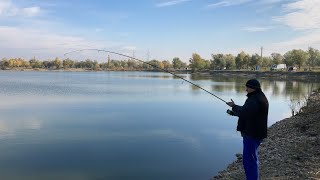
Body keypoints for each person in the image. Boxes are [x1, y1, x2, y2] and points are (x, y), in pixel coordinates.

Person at [226, 79, 269, 180]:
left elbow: (245, 113)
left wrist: (234, 107)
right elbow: (248, 111)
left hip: (252, 134)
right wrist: (234, 109)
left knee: (249, 160)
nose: (246, 89)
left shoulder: (255, 99)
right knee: (251, 158)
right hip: (254, 133)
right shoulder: (257, 97)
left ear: (253, 88)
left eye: (247, 87)